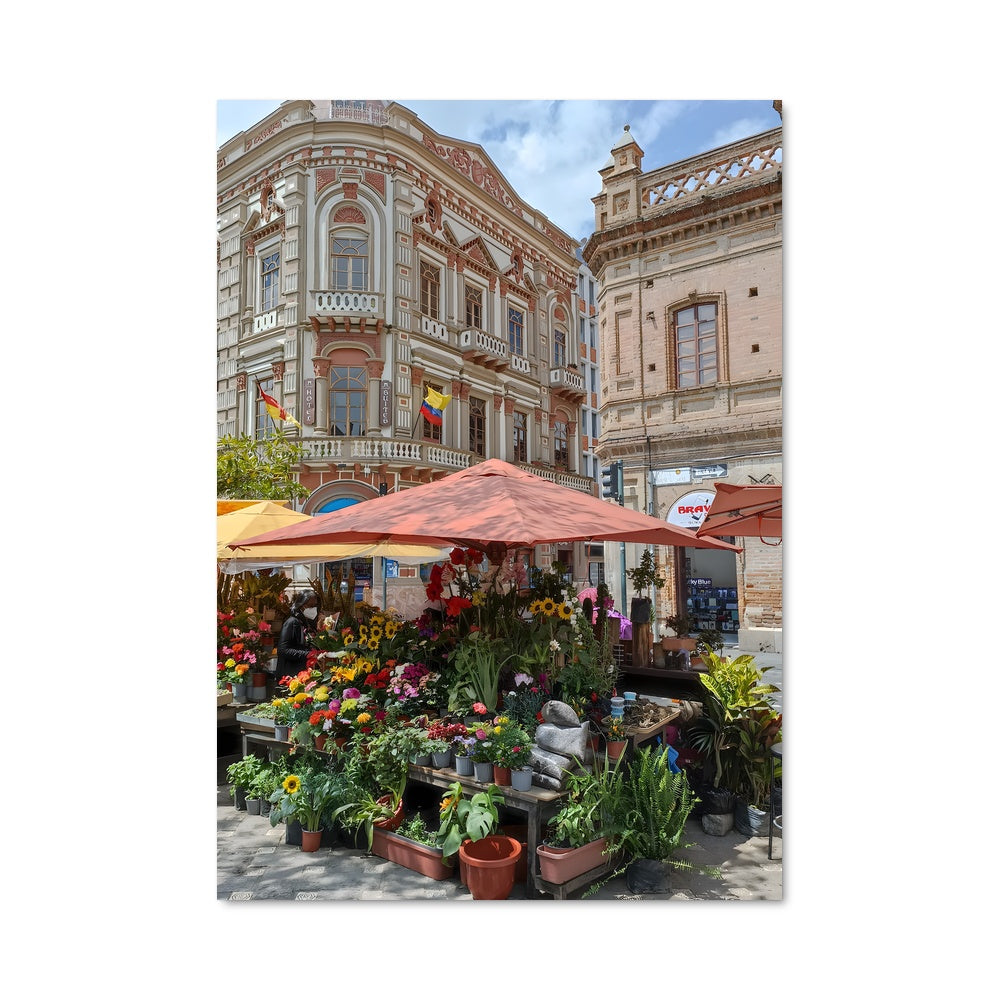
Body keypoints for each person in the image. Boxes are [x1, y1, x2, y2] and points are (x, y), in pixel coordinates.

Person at [277, 590, 319, 676]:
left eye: (315, 606)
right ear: (301, 605)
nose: (313, 609)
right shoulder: (292, 622)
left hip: (303, 672)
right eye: (310, 606)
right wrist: (308, 654)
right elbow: (283, 650)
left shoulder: (307, 623)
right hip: (291, 674)